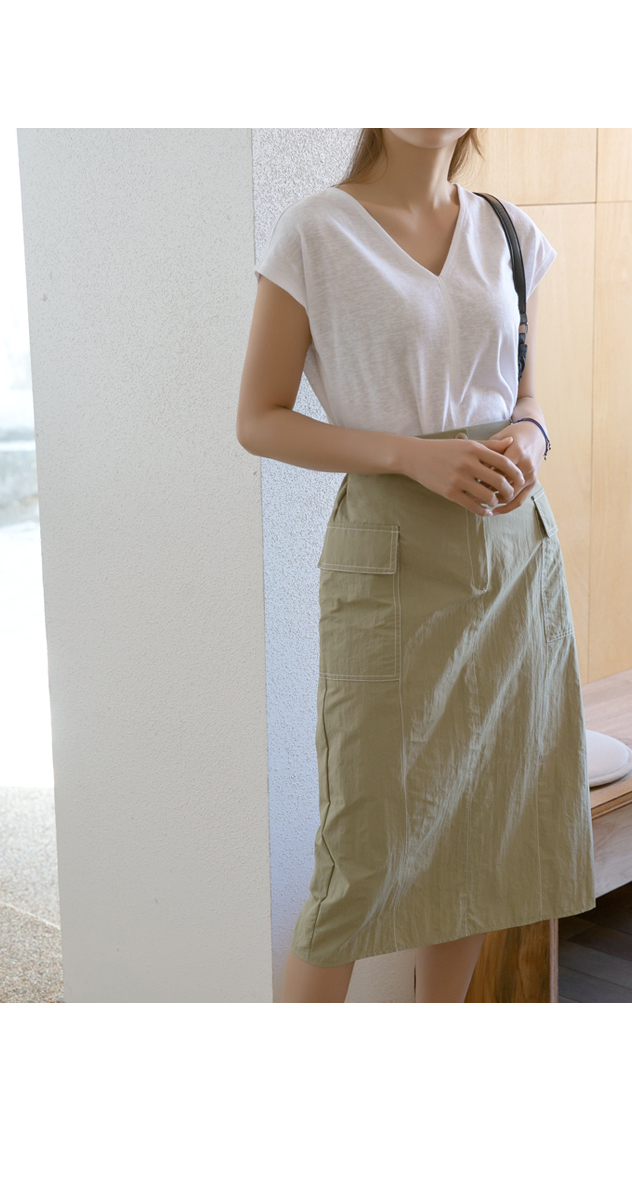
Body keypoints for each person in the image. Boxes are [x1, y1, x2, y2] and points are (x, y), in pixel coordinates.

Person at [236, 128, 596, 1002]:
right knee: (361, 855)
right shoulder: (317, 230)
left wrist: (532, 437)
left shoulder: (508, 230)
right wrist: (409, 454)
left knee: (478, 842)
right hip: (390, 554)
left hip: (510, 556)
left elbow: (526, 396)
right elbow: (259, 418)